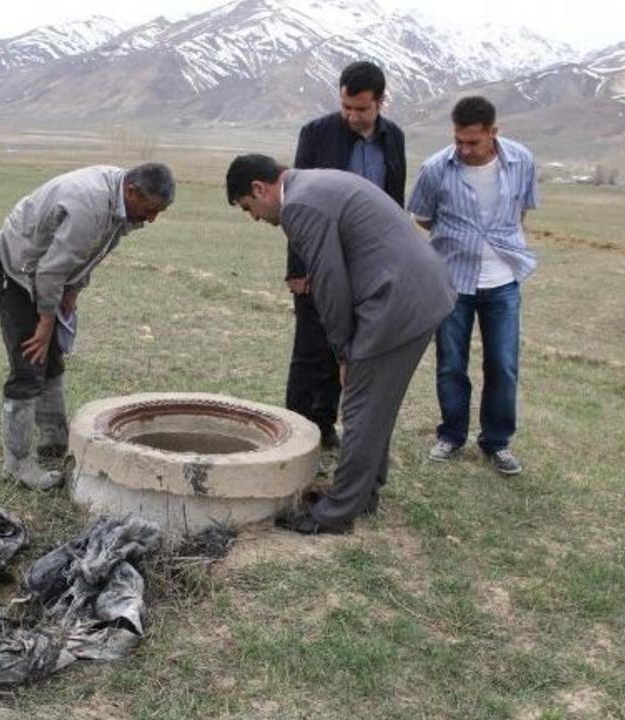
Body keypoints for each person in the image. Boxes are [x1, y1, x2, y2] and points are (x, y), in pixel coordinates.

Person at [226, 154, 455, 533]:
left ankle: (335, 513)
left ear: (259, 188)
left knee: (361, 409)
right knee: (376, 405)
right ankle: (364, 493)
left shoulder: (298, 205)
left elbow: (328, 283)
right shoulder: (315, 181)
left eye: (250, 208)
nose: (255, 218)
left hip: (396, 300)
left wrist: (344, 351)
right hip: (419, 292)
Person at [0, 163, 175, 489]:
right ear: (131, 192)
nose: (152, 219)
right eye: (151, 209)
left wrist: (73, 290)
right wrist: (45, 322)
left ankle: (55, 439)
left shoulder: (120, 201)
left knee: (52, 357)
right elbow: (49, 272)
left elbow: (94, 251)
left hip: (41, 273)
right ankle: (16, 465)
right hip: (13, 273)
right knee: (30, 362)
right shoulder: (91, 204)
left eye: (159, 212)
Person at [407, 96, 538, 475]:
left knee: (503, 364)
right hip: (452, 282)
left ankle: (496, 443)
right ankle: (451, 435)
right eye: (458, 141)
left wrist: (496, 241)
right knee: (450, 364)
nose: (464, 149)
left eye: (473, 142)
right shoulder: (435, 168)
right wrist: (460, 241)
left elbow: (522, 208)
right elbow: (424, 217)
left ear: (493, 133)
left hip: (503, 282)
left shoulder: (521, 161)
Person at [285, 61, 407, 450]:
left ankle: (325, 424)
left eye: (362, 109)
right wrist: (298, 267)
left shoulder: (395, 139)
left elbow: (394, 205)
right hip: (320, 256)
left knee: (351, 347)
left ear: (380, 103)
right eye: (346, 107)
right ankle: (296, 433)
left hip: (368, 264)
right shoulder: (317, 134)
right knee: (310, 349)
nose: (353, 116)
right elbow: (296, 204)